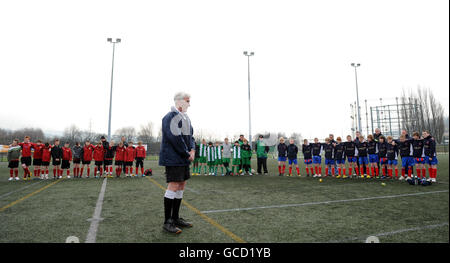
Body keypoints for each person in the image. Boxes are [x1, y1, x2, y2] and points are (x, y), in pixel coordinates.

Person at [159, 91, 194, 234]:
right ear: (179, 102)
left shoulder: (186, 118)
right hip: (174, 158)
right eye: (187, 101)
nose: (189, 104)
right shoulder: (169, 117)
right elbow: (175, 139)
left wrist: (193, 149)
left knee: (181, 185)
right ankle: (168, 222)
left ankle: (176, 217)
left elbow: (191, 136)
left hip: (183, 158)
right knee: (173, 185)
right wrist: (187, 153)